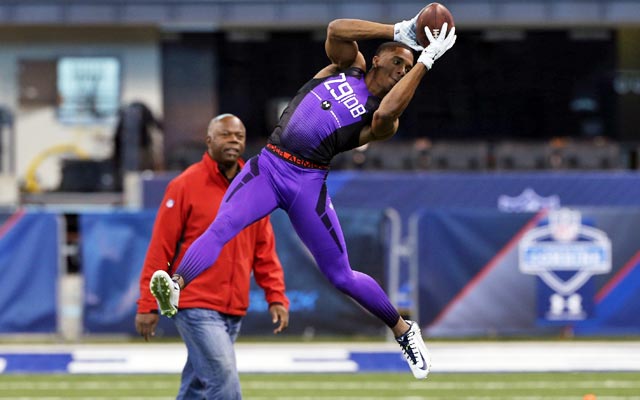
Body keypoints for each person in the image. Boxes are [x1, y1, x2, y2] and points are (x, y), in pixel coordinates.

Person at [150, 13, 456, 380]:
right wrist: (396, 31)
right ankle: (176, 285)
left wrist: (425, 61)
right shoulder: (350, 65)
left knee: (341, 275)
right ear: (376, 57)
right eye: (397, 61)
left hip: (307, 183)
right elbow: (336, 30)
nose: (401, 70)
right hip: (269, 166)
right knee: (223, 224)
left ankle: (404, 331)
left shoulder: (383, 116)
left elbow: (389, 110)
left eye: (407, 69)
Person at [136, 114, 289, 399]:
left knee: (195, 388)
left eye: (239, 136)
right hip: (193, 302)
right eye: (225, 135)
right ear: (209, 140)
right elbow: (161, 248)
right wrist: (148, 303)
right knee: (224, 384)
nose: (233, 141)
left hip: (234, 307)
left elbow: (264, 249)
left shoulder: (256, 186)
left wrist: (276, 295)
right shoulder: (184, 185)